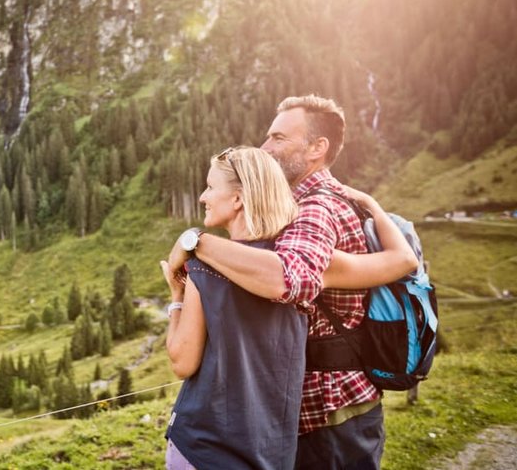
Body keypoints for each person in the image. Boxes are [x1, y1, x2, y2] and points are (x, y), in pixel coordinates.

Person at [166, 95, 418, 469]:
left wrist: (196, 243)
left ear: (318, 148)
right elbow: (403, 260)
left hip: (326, 410)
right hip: (334, 404)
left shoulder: (314, 208)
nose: (266, 147)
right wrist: (373, 206)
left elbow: (290, 278)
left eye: (279, 138)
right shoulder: (323, 199)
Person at [162, 146, 306, 469]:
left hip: (206, 448)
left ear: (238, 199)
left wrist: (176, 298)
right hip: (272, 453)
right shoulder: (296, 269)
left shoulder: (204, 270)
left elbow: (181, 361)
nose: (202, 196)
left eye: (211, 187)